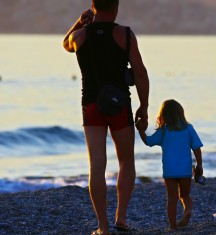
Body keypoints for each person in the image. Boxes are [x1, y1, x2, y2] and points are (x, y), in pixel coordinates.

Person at [63, 0, 149, 234]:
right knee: (126, 161)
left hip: (91, 105)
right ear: (116, 6)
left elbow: (65, 44)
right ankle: (120, 218)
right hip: (120, 104)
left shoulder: (79, 36)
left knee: (97, 166)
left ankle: (103, 227)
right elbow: (140, 72)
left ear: (93, 6)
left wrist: (80, 22)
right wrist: (144, 106)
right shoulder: (125, 35)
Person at [136, 99, 203, 231]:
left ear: (163, 115)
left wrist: (140, 130)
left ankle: (172, 226)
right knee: (185, 195)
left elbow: (148, 141)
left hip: (169, 171)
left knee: (172, 198)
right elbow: (196, 148)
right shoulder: (189, 129)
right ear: (181, 113)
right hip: (185, 170)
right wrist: (199, 165)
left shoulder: (164, 131)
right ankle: (188, 210)